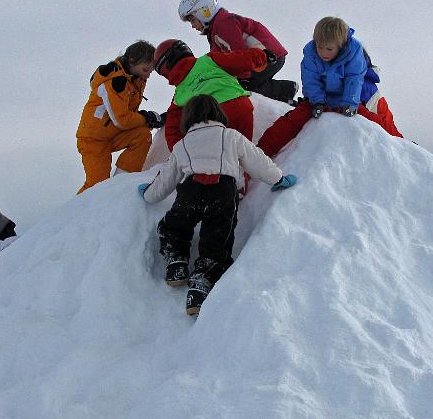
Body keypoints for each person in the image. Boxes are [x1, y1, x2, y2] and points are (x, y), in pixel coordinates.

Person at [138, 94, 297, 315]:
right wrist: (278, 178)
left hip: (191, 190)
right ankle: (201, 283)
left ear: (188, 118)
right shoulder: (231, 136)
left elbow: (167, 178)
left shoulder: (183, 144)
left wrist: (149, 195)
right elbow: (257, 161)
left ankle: (176, 262)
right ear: (218, 114)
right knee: (217, 238)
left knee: (175, 225)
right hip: (222, 191)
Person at [257, 16, 403, 158]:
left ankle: (402, 144)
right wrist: (317, 101)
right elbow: (311, 80)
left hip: (345, 98)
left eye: (329, 49)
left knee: (372, 118)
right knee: (293, 119)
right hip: (320, 98)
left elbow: (354, 79)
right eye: (320, 47)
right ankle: (261, 151)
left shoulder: (354, 52)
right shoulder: (311, 53)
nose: (323, 53)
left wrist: (350, 103)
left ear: (341, 46)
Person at [178, 0, 298, 103]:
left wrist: (241, 77)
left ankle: (286, 91)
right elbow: (222, 60)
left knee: (241, 86)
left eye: (193, 20)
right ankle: (284, 95)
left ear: (204, 11)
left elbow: (238, 52)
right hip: (260, 58)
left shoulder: (223, 23)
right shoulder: (215, 30)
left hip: (267, 56)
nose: (193, 26)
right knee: (240, 85)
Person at [76, 40, 163, 194]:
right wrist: (145, 118)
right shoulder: (115, 81)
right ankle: (70, 216)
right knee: (96, 187)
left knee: (142, 135)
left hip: (113, 133)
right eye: (146, 69)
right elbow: (121, 119)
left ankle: (121, 186)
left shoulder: (136, 78)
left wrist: (148, 121)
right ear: (132, 61)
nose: (148, 74)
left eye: (151, 70)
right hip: (94, 139)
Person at [153, 38, 266, 151]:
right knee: (244, 152)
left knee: (223, 157)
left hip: (211, 121)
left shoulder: (178, 95)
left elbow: (172, 129)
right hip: (239, 107)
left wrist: (179, 153)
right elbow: (241, 59)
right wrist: (262, 55)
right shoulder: (209, 60)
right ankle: (249, 165)